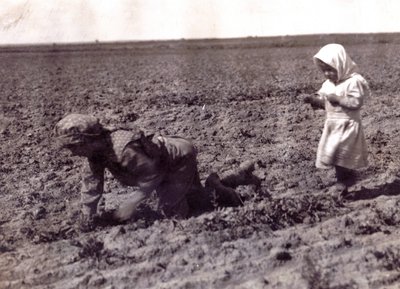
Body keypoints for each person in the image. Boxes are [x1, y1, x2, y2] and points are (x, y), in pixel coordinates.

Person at [54, 113, 259, 231]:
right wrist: (87, 217)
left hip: (177, 160)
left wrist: (131, 203)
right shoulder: (95, 153)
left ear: (88, 140)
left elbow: (154, 175)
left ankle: (229, 193)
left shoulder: (123, 149)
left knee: (173, 215)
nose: (72, 154)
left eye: (73, 148)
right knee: (197, 200)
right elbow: (91, 186)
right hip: (164, 164)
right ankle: (229, 180)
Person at [303, 44, 369, 197]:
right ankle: (345, 180)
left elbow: (355, 103)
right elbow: (325, 103)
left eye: (330, 70)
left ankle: (343, 183)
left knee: (342, 156)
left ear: (341, 65)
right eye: (324, 71)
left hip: (347, 124)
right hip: (333, 125)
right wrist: (314, 100)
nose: (327, 74)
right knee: (334, 155)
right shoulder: (328, 84)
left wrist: (337, 98)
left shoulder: (353, 82)